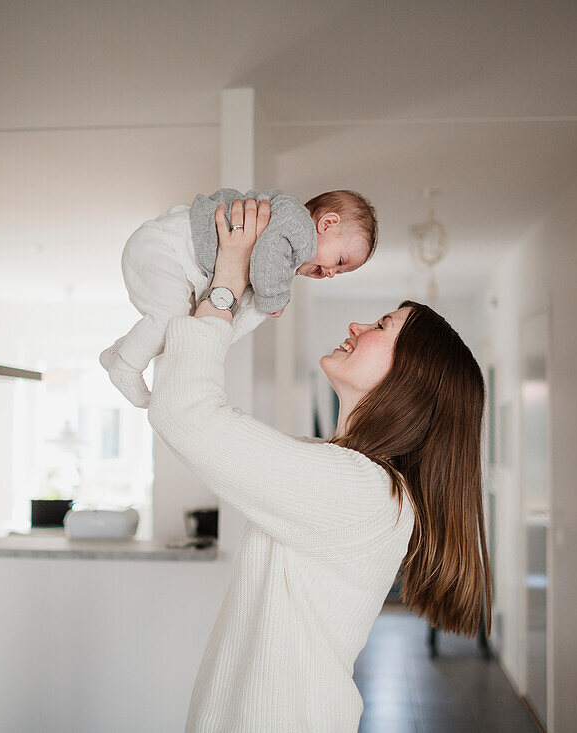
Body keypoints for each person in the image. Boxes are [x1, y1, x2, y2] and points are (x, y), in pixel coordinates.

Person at [148, 197, 492, 732]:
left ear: (411, 378)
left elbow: (186, 413)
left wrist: (228, 279)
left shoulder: (360, 491)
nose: (357, 325)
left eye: (383, 325)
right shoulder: (337, 469)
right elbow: (197, 422)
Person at [100, 188, 378, 408]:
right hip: (165, 246)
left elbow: (246, 309)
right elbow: (267, 255)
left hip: (173, 259)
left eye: (340, 272)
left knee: (179, 327)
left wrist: (230, 330)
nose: (331, 273)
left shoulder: (287, 259)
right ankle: (126, 368)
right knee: (168, 318)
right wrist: (275, 298)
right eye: (339, 261)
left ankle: (121, 352)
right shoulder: (295, 225)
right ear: (327, 223)